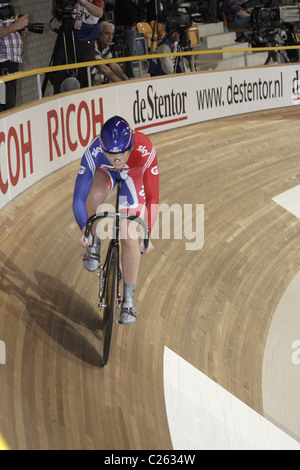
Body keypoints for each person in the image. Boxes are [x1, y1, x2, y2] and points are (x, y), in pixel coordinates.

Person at [72, 116, 159, 325]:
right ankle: (94, 243)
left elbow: (152, 197)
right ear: (102, 147)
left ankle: (128, 300)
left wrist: (147, 233)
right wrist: (84, 229)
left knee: (130, 235)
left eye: (122, 153)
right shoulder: (94, 150)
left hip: (134, 174)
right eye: (111, 153)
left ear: (131, 146)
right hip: (106, 173)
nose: (117, 159)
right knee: (93, 198)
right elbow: (78, 197)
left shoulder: (144, 148)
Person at [50, 0, 104, 93]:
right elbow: (55, 10)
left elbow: (99, 13)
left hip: (85, 41)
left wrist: (83, 2)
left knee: (86, 73)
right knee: (58, 70)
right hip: (69, 36)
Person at [0, 3, 29, 111]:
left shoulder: (5, 7)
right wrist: (16, 26)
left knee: (7, 104)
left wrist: (17, 30)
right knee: (5, 107)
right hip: (3, 66)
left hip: (10, 64)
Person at [114, 0, 143, 78]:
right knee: (120, 51)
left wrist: (136, 24)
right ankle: (121, 73)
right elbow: (117, 9)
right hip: (120, 26)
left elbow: (138, 11)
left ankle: (129, 73)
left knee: (130, 51)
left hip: (131, 27)